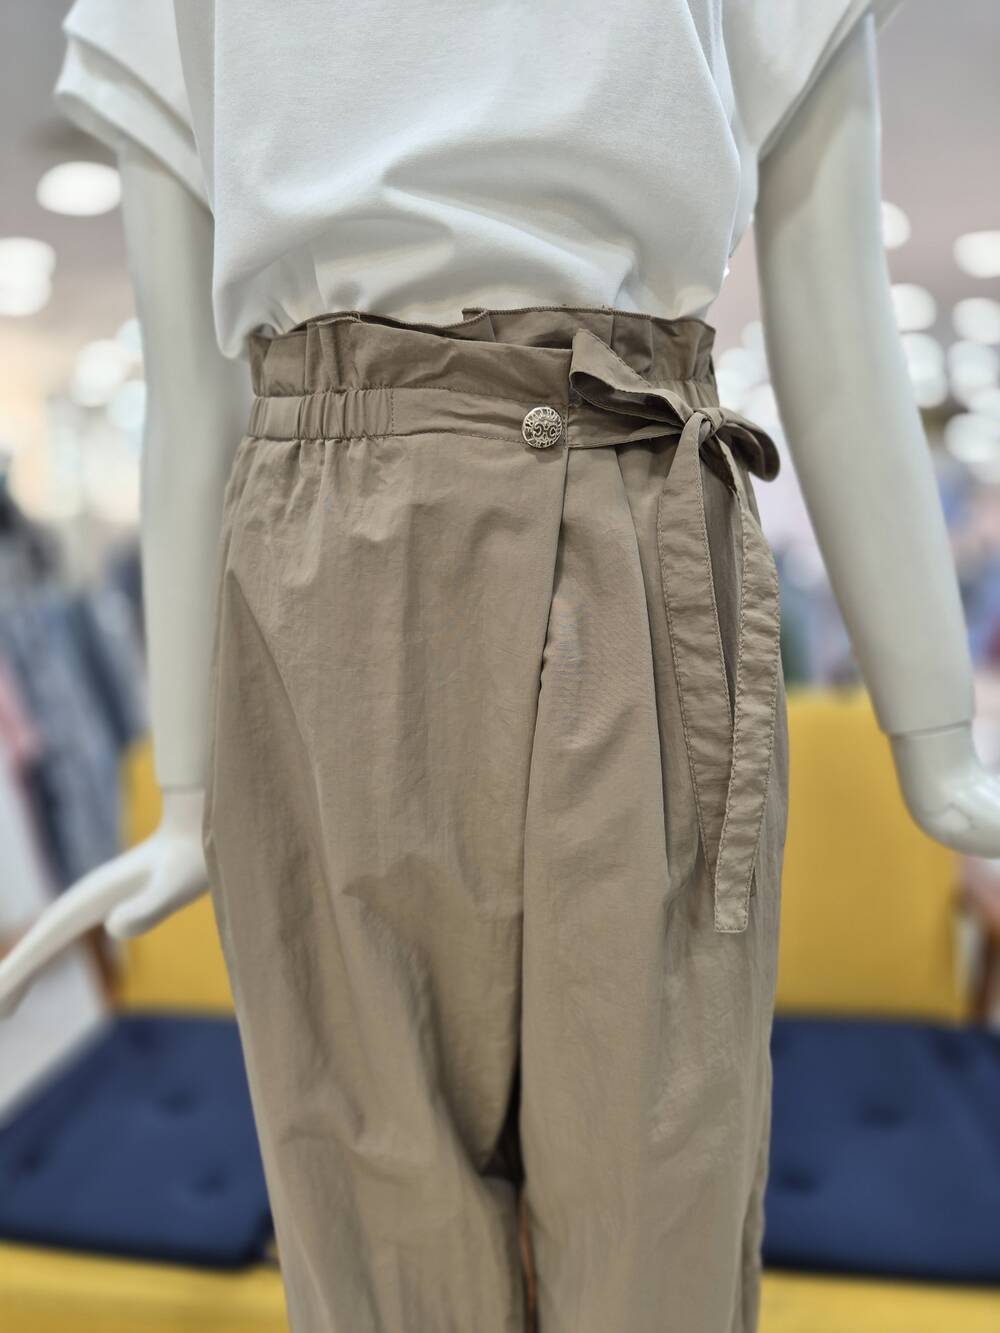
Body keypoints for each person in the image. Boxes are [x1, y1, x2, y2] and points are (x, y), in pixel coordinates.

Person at [6, 3, 1000, 1330]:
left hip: (636, 513)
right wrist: (187, 804)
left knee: (660, 1212)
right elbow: (198, 396)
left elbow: (839, 315)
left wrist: (937, 742)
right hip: (320, 544)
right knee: (374, 1229)